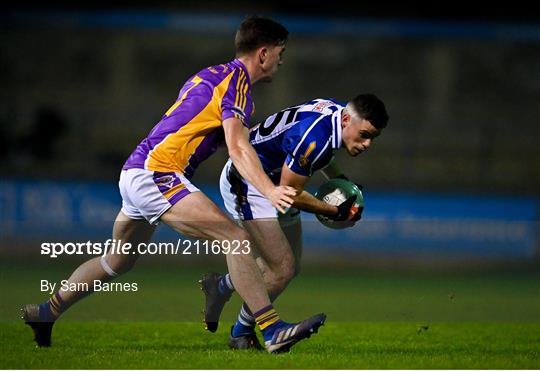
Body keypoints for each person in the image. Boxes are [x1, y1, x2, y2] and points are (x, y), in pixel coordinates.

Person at [21, 16, 326, 354]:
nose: (282, 61)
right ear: (264, 53)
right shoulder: (237, 85)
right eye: (281, 53)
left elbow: (218, 134)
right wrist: (269, 190)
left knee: (118, 260)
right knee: (235, 239)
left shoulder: (209, 75)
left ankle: (47, 312)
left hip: (137, 170)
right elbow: (238, 148)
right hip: (157, 173)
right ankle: (270, 330)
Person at [201, 94, 389, 349]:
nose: (367, 144)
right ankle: (241, 333)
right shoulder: (313, 138)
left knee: (290, 266)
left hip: (276, 184)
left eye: (373, 138)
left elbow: (321, 157)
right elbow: (294, 194)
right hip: (249, 183)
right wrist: (335, 211)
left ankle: (221, 286)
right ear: (346, 119)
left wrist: (344, 182)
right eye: (365, 135)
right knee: (282, 268)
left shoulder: (333, 115)